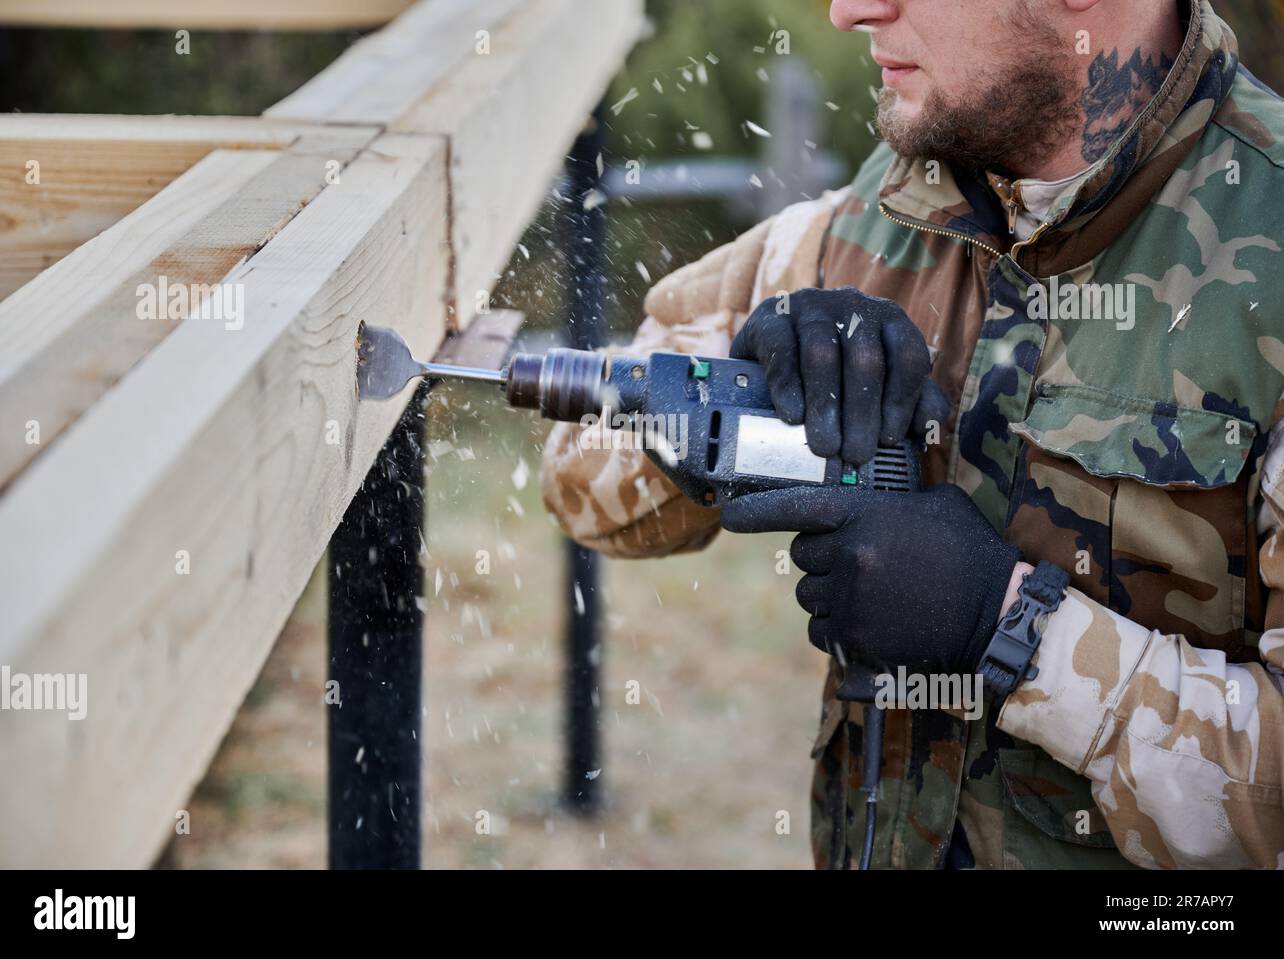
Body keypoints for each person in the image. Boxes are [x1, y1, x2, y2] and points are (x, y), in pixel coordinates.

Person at [541, 0, 1284, 869]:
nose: (849, 8)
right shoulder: (886, 201)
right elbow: (579, 480)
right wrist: (734, 391)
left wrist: (1009, 629)